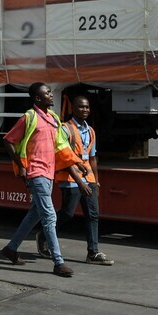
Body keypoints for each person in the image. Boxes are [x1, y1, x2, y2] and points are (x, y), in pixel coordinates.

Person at [0, 82, 74, 277]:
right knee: (49, 216)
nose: (51, 94)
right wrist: (21, 165)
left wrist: (75, 163)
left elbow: (61, 145)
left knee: (35, 214)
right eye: (47, 93)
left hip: (49, 173)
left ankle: (11, 249)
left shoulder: (53, 118)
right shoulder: (29, 117)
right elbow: (8, 140)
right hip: (36, 173)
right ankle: (58, 262)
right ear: (38, 98)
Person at [37, 95, 114, 265]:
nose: (85, 110)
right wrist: (80, 182)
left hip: (88, 178)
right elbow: (64, 158)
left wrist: (96, 181)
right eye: (81, 107)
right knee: (67, 213)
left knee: (93, 215)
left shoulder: (90, 131)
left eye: (87, 107)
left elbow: (92, 158)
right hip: (71, 178)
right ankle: (43, 234)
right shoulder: (65, 129)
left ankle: (93, 252)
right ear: (73, 108)